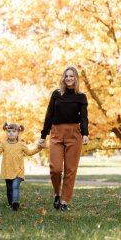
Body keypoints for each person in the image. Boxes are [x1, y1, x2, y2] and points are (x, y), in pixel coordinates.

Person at [38, 66, 89, 212]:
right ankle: (56, 193)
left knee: (70, 170)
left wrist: (85, 133)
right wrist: (43, 136)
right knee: (55, 168)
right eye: (66, 76)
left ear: (76, 78)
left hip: (74, 134)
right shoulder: (56, 94)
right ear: (63, 78)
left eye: (71, 76)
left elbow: (84, 117)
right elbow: (49, 115)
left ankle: (65, 201)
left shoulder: (81, 97)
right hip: (56, 133)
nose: (68, 79)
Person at [0, 123, 42, 211]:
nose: (11, 133)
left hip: (18, 171)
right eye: (9, 131)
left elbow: (29, 152)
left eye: (13, 131)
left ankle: (15, 202)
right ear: (6, 132)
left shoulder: (21, 144)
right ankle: (10, 204)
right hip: (7, 170)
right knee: (9, 188)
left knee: (15, 186)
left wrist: (38, 148)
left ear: (18, 132)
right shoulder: (4, 144)